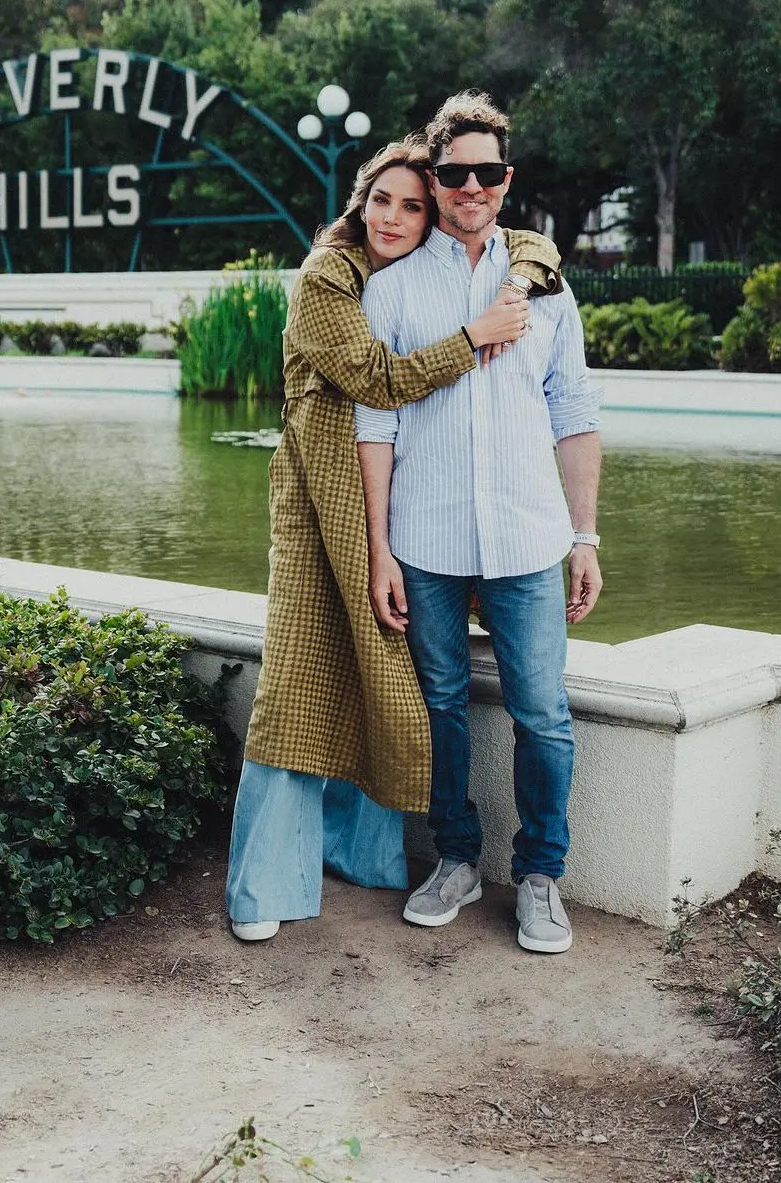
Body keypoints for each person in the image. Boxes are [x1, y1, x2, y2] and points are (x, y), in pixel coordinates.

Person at [226, 136, 564, 941]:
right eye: (385, 198)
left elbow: (533, 247)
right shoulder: (327, 277)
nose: (396, 216)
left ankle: (361, 856)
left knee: (379, 682)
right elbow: (377, 381)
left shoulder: (416, 277)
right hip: (320, 515)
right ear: (360, 198)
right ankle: (262, 888)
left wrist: (520, 271)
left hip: (393, 514)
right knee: (298, 688)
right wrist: (477, 335)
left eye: (413, 205)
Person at [355, 92, 602, 954]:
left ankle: (540, 877)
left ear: (505, 179)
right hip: (425, 541)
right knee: (442, 709)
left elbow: (573, 411)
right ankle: (456, 859)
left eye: (485, 172)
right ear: (436, 175)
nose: (470, 187)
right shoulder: (390, 290)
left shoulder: (545, 287)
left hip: (530, 538)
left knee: (542, 715)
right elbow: (376, 422)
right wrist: (381, 549)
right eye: (453, 173)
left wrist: (585, 536)